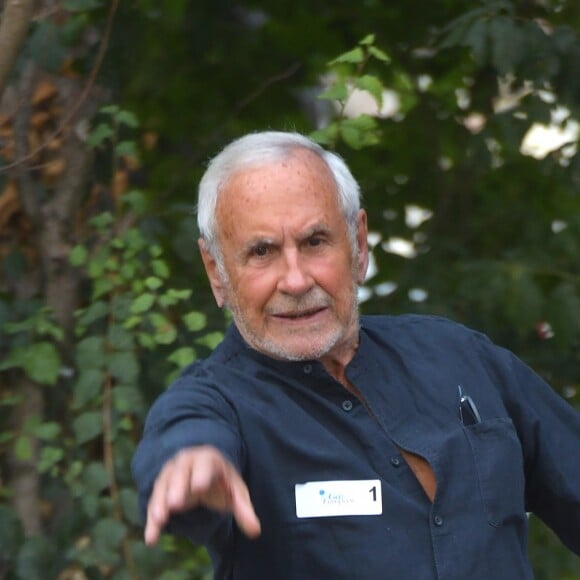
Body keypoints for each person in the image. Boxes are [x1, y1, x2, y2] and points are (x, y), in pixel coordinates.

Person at [132, 131, 580, 579]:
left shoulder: (458, 357)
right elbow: (183, 439)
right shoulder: (214, 403)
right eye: (262, 251)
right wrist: (191, 463)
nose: (295, 280)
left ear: (359, 244)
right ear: (216, 272)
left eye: (314, 242)